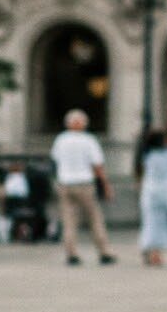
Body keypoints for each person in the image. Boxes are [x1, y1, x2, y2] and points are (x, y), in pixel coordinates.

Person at [49, 110, 116, 266]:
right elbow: (97, 165)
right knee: (94, 218)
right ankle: (104, 251)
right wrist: (105, 185)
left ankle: (71, 253)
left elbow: (55, 160)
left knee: (69, 220)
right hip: (84, 182)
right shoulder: (88, 140)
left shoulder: (60, 140)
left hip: (65, 182)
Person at [135, 129, 167, 267]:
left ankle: (149, 249)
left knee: (151, 223)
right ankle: (155, 254)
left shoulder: (147, 155)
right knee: (160, 225)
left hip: (151, 192)